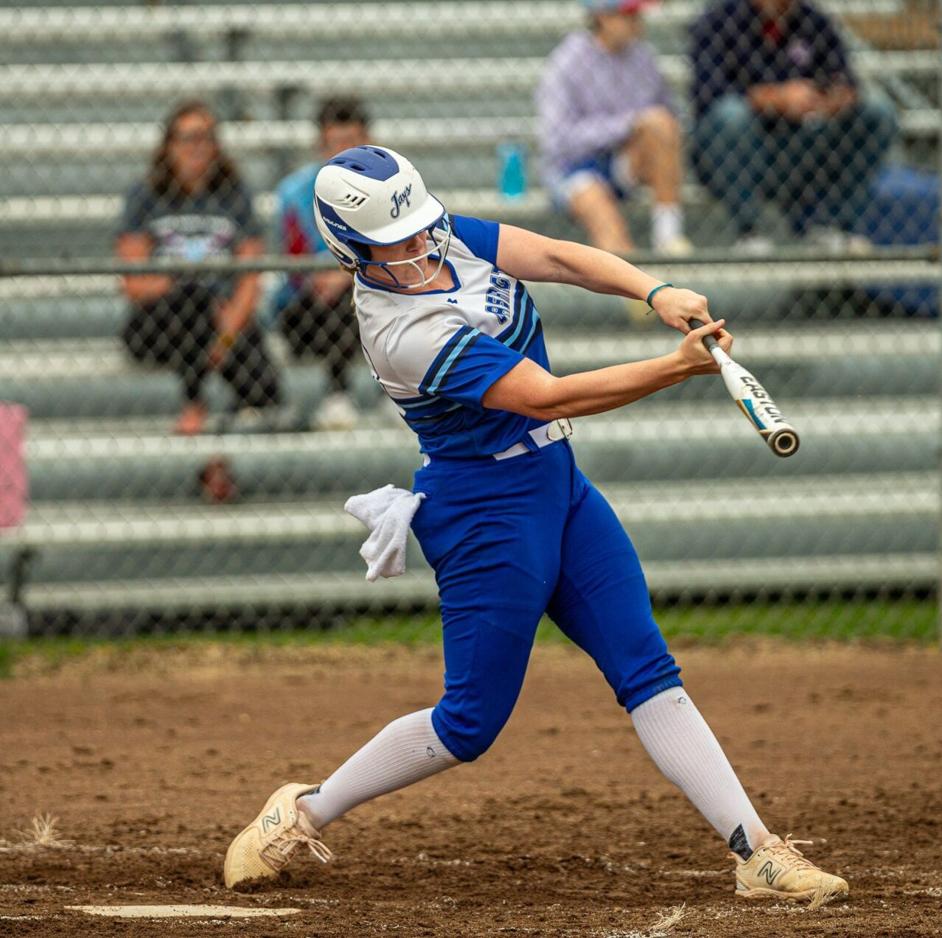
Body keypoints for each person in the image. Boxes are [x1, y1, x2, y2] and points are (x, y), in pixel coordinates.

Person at [222, 145, 848, 904]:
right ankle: (306, 809)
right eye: (396, 242)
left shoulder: (441, 233)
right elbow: (548, 396)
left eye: (420, 227)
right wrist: (674, 367)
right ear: (351, 250)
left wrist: (655, 291)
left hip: (558, 486)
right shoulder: (399, 330)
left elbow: (554, 254)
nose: (421, 246)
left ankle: (757, 851)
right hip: (484, 512)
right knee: (469, 725)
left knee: (646, 667)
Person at [117, 100, 283, 435]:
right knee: (192, 298)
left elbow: (252, 275)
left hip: (224, 319)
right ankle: (199, 402)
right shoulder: (146, 195)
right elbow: (134, 284)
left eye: (205, 137)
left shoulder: (233, 194)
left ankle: (218, 430)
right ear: (169, 146)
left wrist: (225, 332)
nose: (197, 147)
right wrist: (181, 284)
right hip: (158, 323)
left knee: (222, 323)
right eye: (188, 138)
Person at [689, 0, 897, 253]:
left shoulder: (812, 20)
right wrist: (776, 98)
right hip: (739, 149)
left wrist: (823, 101)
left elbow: (845, 83)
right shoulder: (719, 20)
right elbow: (708, 95)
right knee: (731, 115)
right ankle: (750, 232)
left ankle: (832, 226)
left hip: (803, 143)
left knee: (877, 111)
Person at [536, 0, 692, 256]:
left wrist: (643, 127)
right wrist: (629, 124)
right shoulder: (567, 61)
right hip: (575, 167)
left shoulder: (642, 56)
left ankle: (669, 236)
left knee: (661, 124)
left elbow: (669, 115)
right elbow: (559, 141)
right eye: (629, 16)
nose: (638, 23)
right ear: (603, 17)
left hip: (625, 160)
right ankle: (633, 288)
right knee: (595, 201)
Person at [273, 97, 370, 430]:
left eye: (354, 142)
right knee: (338, 301)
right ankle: (337, 394)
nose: (346, 153)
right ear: (321, 145)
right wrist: (348, 270)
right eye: (337, 143)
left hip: (366, 296)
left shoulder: (389, 189)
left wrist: (347, 273)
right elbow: (298, 269)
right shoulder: (294, 192)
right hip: (306, 312)